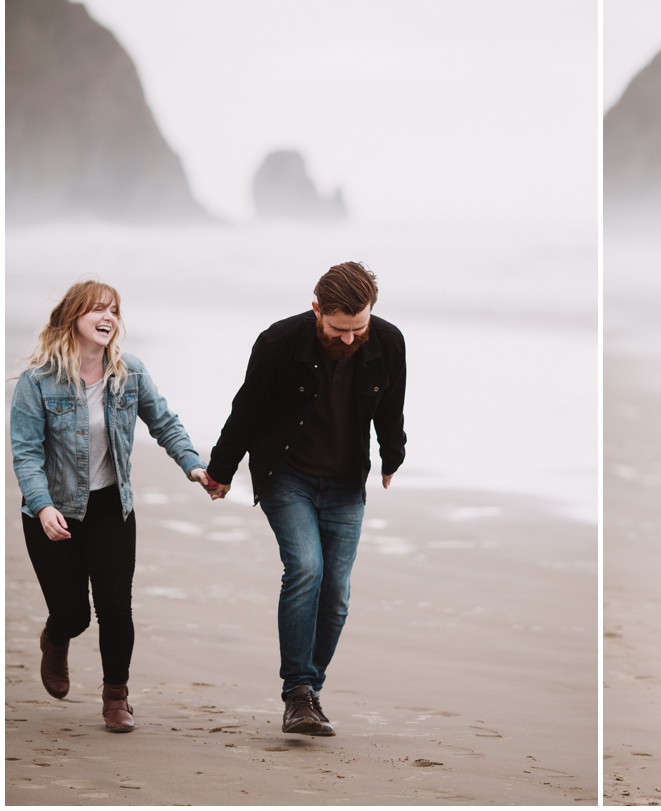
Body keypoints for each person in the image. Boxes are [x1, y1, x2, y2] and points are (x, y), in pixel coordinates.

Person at [203, 262, 406, 736]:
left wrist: (392, 456)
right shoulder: (278, 343)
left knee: (336, 595)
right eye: (340, 328)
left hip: (344, 483)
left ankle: (309, 692)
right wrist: (221, 470)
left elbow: (391, 405)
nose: (352, 338)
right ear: (316, 309)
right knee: (306, 569)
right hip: (286, 475)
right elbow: (246, 409)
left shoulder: (388, 341)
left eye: (361, 326)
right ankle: (297, 692)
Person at [10, 280, 212, 733]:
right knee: (74, 613)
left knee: (116, 608)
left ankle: (116, 697)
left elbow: (164, 421)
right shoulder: (38, 380)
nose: (109, 318)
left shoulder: (129, 372)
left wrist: (193, 466)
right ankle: (56, 636)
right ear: (73, 317)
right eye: (98, 310)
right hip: (53, 512)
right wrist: (42, 507)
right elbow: (25, 453)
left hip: (110, 509)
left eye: (114, 311)